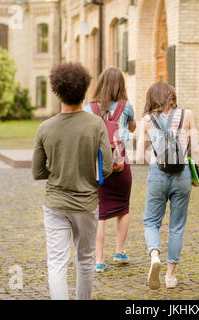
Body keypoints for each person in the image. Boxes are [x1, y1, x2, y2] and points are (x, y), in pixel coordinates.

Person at [32, 62, 113, 299]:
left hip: (56, 204)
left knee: (56, 263)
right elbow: (106, 168)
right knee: (85, 260)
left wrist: (58, 171)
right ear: (85, 90)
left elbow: (37, 172)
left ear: (56, 91)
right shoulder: (96, 124)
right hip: (86, 204)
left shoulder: (45, 128)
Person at [136, 82, 199, 289]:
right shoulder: (188, 115)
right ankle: (170, 276)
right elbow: (197, 151)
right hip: (182, 173)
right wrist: (195, 176)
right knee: (177, 226)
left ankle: (154, 255)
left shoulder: (146, 120)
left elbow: (139, 156)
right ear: (172, 96)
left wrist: (153, 159)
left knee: (151, 222)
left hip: (157, 174)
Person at [83, 67, 136, 272]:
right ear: (120, 85)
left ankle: (99, 259)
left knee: (100, 212)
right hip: (120, 164)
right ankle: (120, 251)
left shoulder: (90, 109)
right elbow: (132, 127)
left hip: (98, 166)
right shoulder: (126, 106)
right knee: (123, 208)